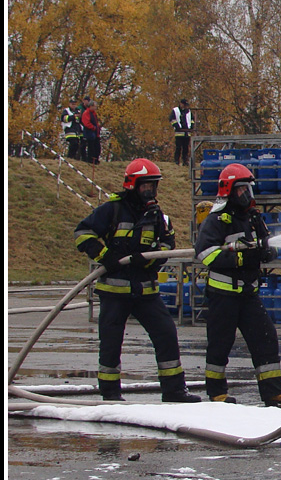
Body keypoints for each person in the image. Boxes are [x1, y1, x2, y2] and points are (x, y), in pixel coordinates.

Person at [74, 158, 200, 403]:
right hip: (114, 291)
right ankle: (110, 394)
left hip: (145, 291)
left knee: (165, 334)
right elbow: (82, 232)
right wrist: (105, 256)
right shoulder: (112, 209)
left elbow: (167, 245)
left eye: (153, 186)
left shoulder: (158, 215)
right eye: (146, 185)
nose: (150, 191)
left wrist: (150, 262)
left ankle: (174, 391)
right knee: (111, 343)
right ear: (132, 184)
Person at [194, 163, 281, 407]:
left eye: (249, 190)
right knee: (220, 345)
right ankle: (217, 393)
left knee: (265, 339)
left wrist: (267, 252)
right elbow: (205, 254)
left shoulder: (252, 218)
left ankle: (273, 391)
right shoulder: (216, 220)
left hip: (248, 294)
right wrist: (240, 258)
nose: (247, 195)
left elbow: (266, 245)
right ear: (229, 191)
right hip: (222, 295)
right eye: (242, 190)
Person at [170, 98, 195, 166]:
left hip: (187, 133)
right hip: (179, 133)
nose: (185, 106)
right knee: (178, 147)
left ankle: (185, 161)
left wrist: (191, 126)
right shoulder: (175, 110)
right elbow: (172, 119)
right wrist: (177, 127)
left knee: (186, 148)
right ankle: (176, 161)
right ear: (181, 104)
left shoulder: (188, 111)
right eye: (184, 104)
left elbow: (192, 119)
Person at [81, 99, 101, 164]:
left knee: (97, 147)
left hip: (95, 133)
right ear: (91, 106)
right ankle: (91, 159)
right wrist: (93, 127)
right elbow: (86, 123)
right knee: (91, 147)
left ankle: (95, 159)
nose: (96, 108)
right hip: (89, 133)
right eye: (95, 106)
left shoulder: (94, 113)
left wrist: (97, 127)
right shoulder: (86, 113)